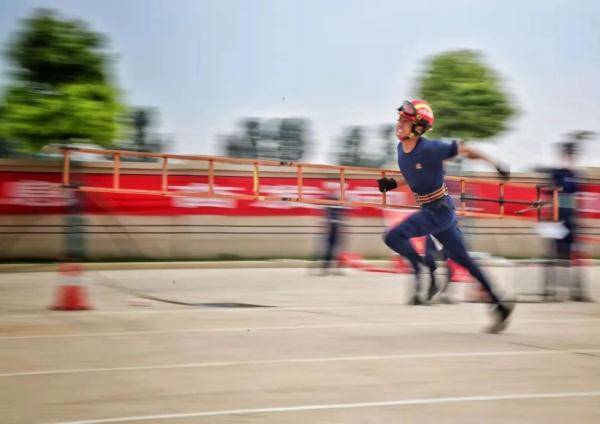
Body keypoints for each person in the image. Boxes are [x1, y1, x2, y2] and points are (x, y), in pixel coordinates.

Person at [377, 99, 513, 333]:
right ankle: (499, 304)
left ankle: (422, 268)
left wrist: (496, 165)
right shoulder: (401, 149)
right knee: (465, 260)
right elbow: (414, 174)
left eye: (405, 120)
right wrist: (393, 183)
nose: (399, 123)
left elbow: (466, 149)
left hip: (438, 211)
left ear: (419, 127)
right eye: (399, 118)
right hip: (435, 211)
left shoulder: (431, 149)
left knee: (393, 236)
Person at [544, 141, 593, 301]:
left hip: (572, 219)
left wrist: (580, 218)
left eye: (572, 153)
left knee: (576, 256)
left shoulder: (576, 175)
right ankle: (552, 291)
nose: (570, 155)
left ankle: (577, 292)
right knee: (556, 256)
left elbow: (577, 198)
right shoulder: (556, 174)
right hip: (556, 219)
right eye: (568, 152)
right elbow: (551, 195)